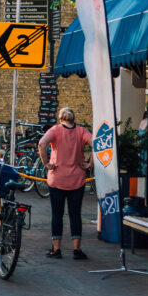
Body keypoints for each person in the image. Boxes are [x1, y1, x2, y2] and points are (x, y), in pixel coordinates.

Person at [38, 106, 93, 259]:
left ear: (60, 118)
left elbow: (42, 144)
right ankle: (77, 249)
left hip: (57, 179)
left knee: (57, 214)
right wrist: (89, 163)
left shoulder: (55, 130)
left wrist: (46, 163)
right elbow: (96, 144)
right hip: (77, 179)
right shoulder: (81, 131)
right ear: (73, 118)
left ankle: (56, 249)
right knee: (75, 214)